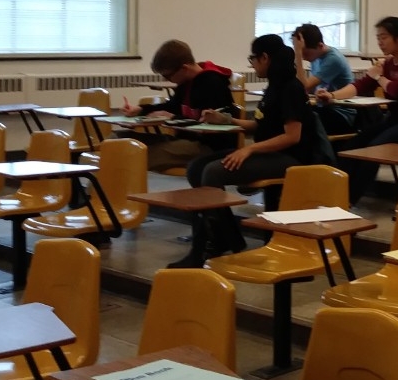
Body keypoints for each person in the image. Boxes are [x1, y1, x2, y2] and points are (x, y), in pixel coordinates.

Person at [167, 34, 329, 268]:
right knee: (196, 168)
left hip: (292, 158)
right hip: (270, 152)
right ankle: (227, 236)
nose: (251, 63)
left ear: (265, 57)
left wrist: (249, 150)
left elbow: (292, 136)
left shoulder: (290, 87)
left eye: (253, 58)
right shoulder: (273, 85)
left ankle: (207, 246)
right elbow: (260, 126)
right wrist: (225, 120)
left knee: (212, 172)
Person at [327, 16, 398, 203]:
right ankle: (335, 195)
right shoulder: (387, 63)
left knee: (374, 148)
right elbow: (360, 85)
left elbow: (397, 90)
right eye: (378, 37)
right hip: (396, 120)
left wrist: (379, 78)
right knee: (353, 145)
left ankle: (348, 202)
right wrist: (332, 96)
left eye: (384, 37)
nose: (380, 42)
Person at [119, 39, 237, 171]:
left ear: (184, 68)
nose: (166, 80)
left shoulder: (213, 83)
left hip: (209, 146)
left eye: (168, 76)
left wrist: (173, 118)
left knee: (134, 152)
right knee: (119, 140)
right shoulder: (185, 83)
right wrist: (141, 110)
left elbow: (210, 124)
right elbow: (171, 107)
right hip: (185, 141)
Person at [291, 23, 360, 135]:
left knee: (299, 122)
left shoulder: (333, 59)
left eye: (306, 53)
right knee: (289, 117)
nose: (304, 57)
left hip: (342, 114)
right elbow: (306, 90)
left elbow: (304, 86)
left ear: (320, 45)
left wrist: (297, 54)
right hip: (325, 108)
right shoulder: (316, 57)